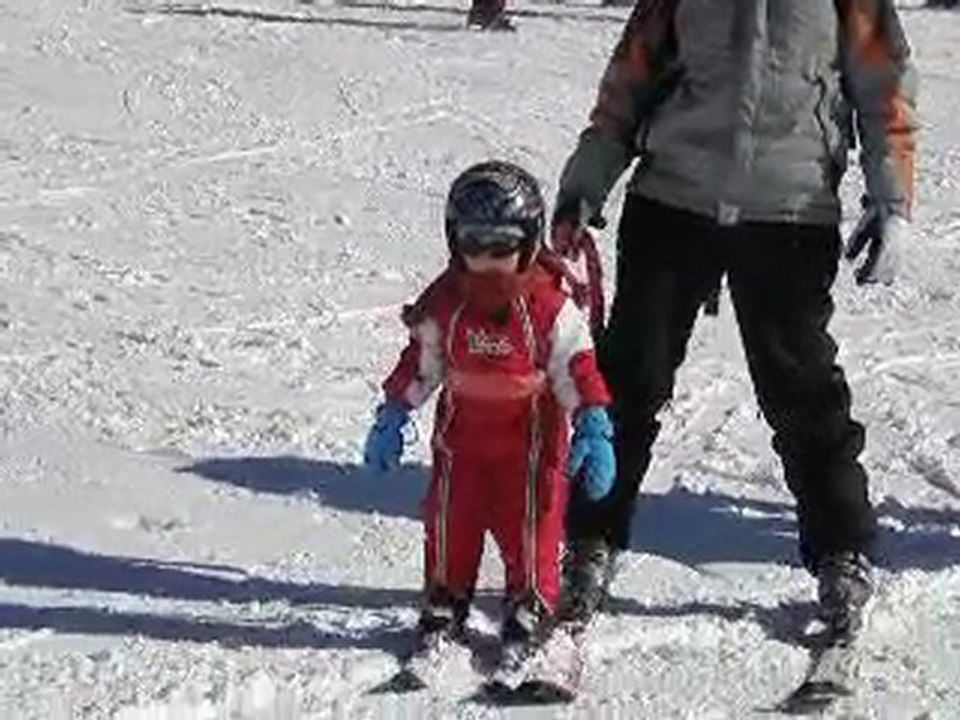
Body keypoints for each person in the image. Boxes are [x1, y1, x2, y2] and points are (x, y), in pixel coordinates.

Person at [551, 0, 918, 638]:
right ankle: (589, 539)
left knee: (803, 392)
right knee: (628, 383)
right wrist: (587, 181)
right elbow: (629, 80)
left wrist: (893, 203)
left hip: (791, 211)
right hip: (671, 200)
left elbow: (885, 84)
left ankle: (839, 550)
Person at [363, 161, 616, 671]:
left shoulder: (545, 305)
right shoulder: (448, 299)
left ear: (527, 241)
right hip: (462, 440)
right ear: (455, 242)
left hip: (530, 444)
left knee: (530, 525)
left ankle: (531, 603)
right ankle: (446, 597)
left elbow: (577, 365)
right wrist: (394, 410)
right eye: (473, 246)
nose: (487, 260)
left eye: (501, 246)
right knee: (449, 519)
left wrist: (593, 419)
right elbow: (423, 358)